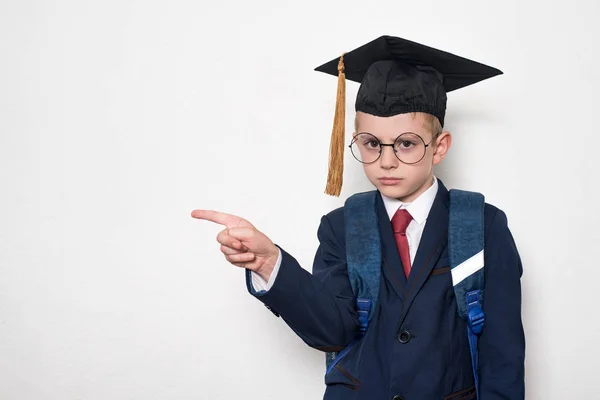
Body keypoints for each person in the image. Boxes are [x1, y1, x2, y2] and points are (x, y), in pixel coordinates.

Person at [192, 35, 525, 400]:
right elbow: (331, 331)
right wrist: (272, 264)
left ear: (440, 146)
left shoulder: (480, 226)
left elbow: (502, 354)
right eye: (370, 143)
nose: (386, 161)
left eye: (406, 144)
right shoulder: (343, 227)